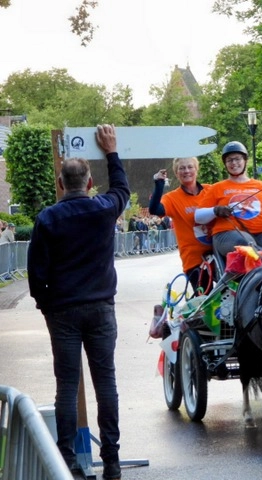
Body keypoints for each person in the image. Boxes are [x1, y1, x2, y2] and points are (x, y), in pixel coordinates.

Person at [27, 124, 129, 479]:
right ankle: (112, 461)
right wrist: (111, 152)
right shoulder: (103, 209)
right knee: (106, 384)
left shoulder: (47, 218)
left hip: (63, 310)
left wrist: (47, 305)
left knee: (67, 386)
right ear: (89, 183)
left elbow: (36, 272)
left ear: (60, 183)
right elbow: (121, 189)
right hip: (101, 307)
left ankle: (68, 461)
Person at [194, 141, 262, 259]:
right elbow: (198, 216)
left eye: (237, 159)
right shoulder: (217, 188)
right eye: (229, 160)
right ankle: (259, 262)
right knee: (246, 244)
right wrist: (215, 211)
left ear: (245, 161)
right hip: (228, 233)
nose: (234, 163)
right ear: (225, 164)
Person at [148, 157, 214, 289]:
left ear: (196, 169)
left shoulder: (211, 190)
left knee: (231, 295)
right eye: (182, 168)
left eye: (190, 167)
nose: (186, 171)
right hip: (195, 260)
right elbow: (155, 209)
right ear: (176, 173)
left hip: (217, 253)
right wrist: (159, 183)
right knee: (205, 298)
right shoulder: (172, 198)